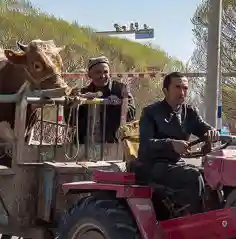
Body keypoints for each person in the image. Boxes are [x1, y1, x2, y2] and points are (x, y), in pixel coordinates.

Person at [135, 72, 218, 214]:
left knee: (213, 176)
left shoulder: (190, 112)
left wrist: (212, 132)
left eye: (185, 88)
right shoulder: (150, 112)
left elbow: (203, 128)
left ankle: (214, 218)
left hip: (176, 165)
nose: (182, 92)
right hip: (153, 166)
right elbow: (145, 145)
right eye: (177, 87)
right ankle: (192, 222)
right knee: (193, 177)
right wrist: (171, 144)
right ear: (165, 90)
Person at [66, 56, 136, 145]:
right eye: (98, 72)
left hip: (112, 144)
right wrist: (73, 104)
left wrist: (120, 103)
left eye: (105, 72)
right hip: (84, 144)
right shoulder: (83, 92)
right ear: (89, 75)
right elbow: (70, 120)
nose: (102, 76)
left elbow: (131, 114)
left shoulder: (121, 90)